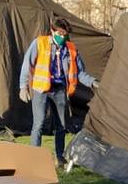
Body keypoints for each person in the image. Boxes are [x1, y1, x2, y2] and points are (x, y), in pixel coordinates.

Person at [19, 16, 95, 166]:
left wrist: (93, 82)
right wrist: (23, 87)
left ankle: (59, 157)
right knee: (39, 123)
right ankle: (34, 158)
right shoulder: (39, 43)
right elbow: (27, 65)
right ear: (52, 31)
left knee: (61, 125)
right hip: (41, 89)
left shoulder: (71, 49)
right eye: (59, 34)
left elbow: (80, 72)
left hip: (60, 90)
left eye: (64, 34)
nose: (62, 37)